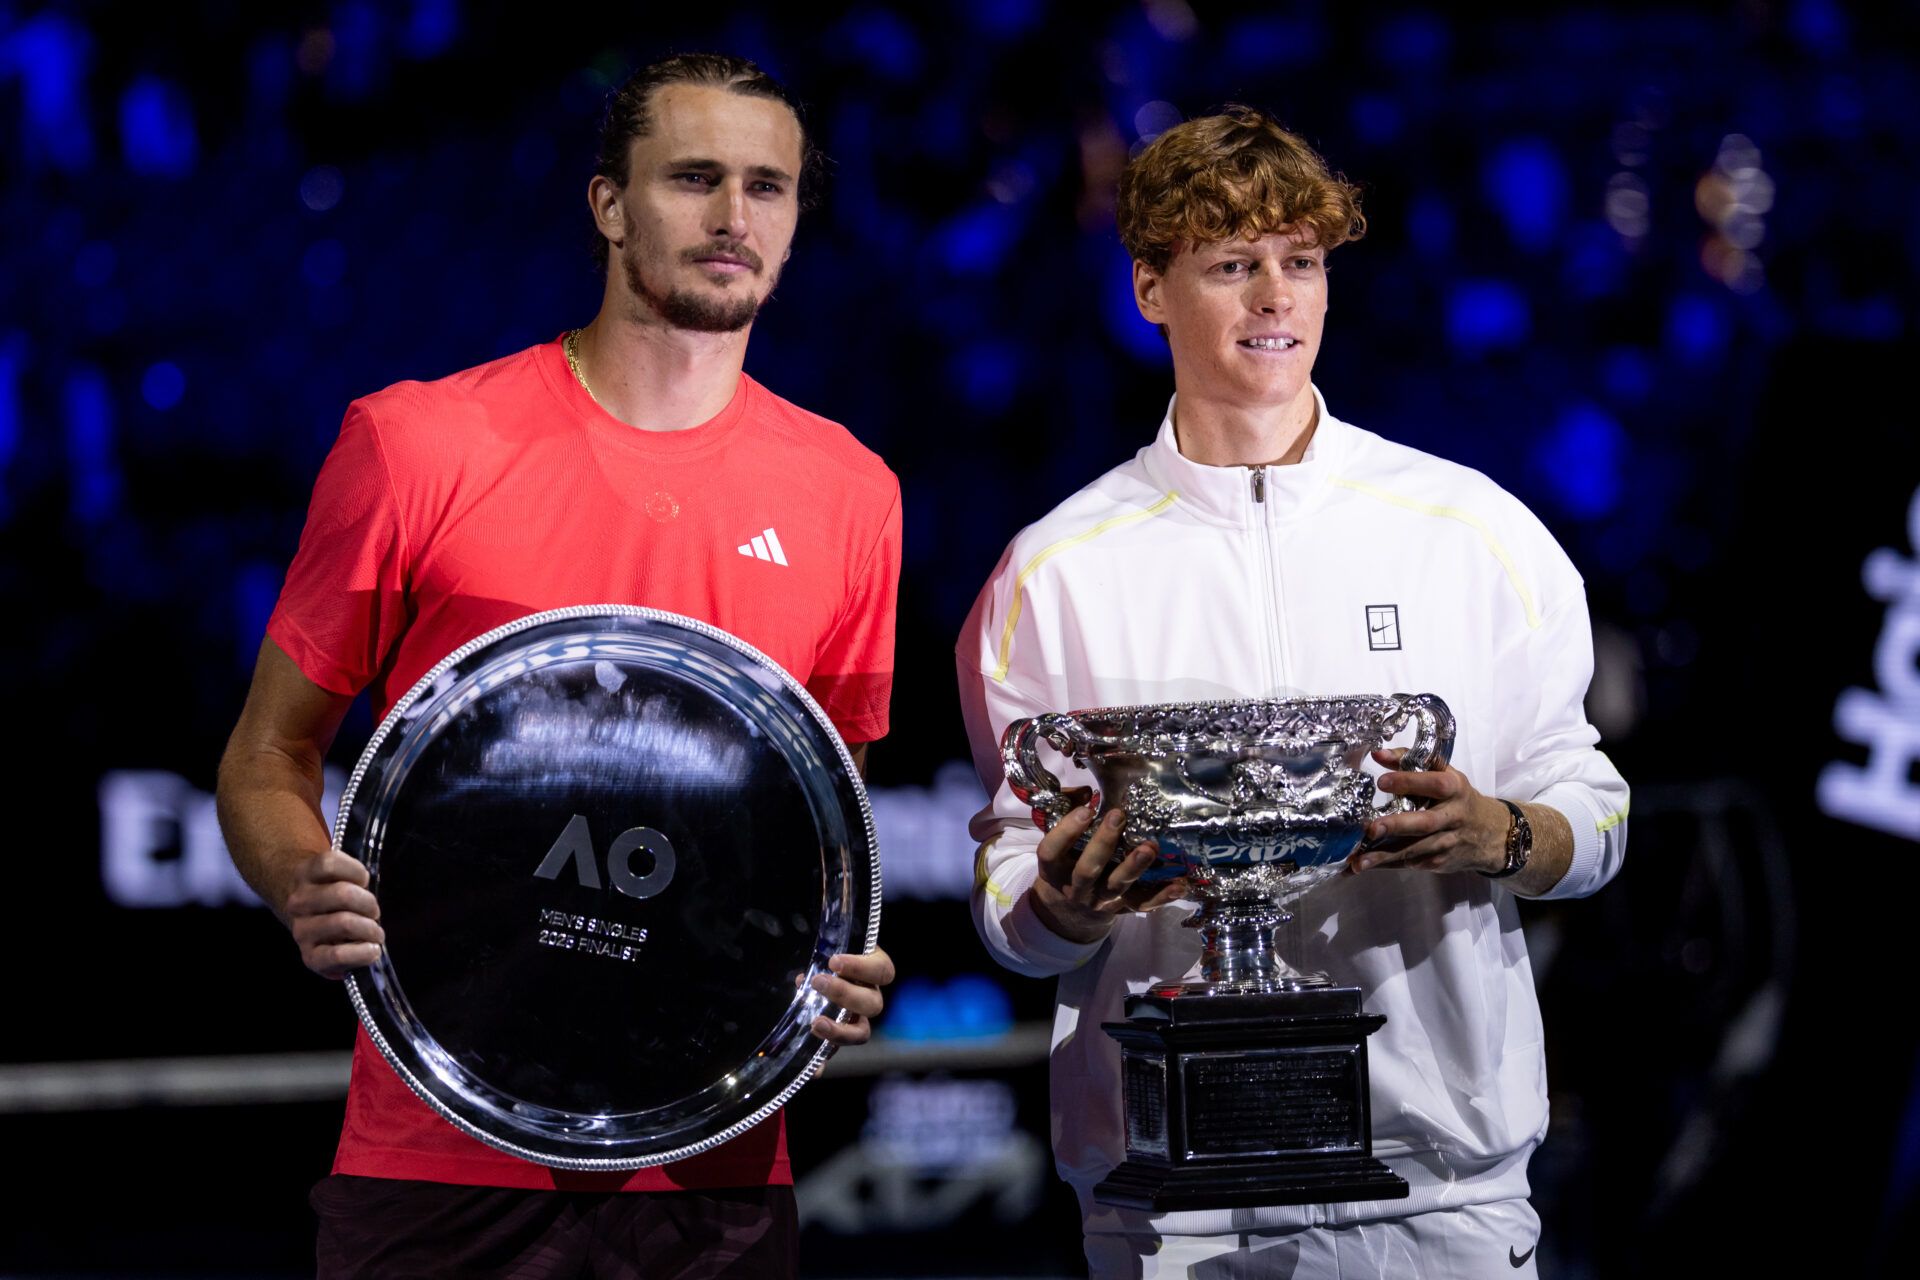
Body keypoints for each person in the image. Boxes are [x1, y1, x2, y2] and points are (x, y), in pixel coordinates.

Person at [216, 53, 899, 1279]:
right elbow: (268, 754)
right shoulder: (416, 443)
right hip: (435, 1158)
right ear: (608, 205)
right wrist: (300, 879)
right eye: (694, 178)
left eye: (769, 187)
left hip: (718, 1173)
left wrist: (838, 968)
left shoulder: (854, 494)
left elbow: (810, 842)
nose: (734, 218)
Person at [958, 106, 1629, 1278]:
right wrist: (1060, 904)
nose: (1276, 296)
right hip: (1169, 1202)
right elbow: (1012, 885)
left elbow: (1597, 808)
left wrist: (1507, 830)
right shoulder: (1055, 569)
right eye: (1232, 264)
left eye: (1301, 261)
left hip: (1441, 1191)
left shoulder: (1472, 531)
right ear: (1151, 290)